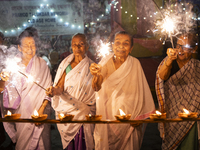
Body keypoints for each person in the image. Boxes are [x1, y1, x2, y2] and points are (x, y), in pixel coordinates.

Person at [90, 31, 155, 150]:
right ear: (113, 45)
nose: (121, 46)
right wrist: (95, 75)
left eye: (125, 44)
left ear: (131, 48)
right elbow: (96, 87)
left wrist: (139, 117)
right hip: (109, 116)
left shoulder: (135, 63)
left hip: (132, 118)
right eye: (118, 43)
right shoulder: (105, 62)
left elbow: (142, 92)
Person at [0, 27, 52, 150]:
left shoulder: (42, 64)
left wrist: (42, 110)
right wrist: (3, 78)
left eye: (32, 45)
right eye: (26, 45)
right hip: (21, 114)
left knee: (42, 144)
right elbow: (2, 89)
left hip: (40, 113)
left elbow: (48, 90)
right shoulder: (13, 66)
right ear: (19, 47)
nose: (30, 49)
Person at [46, 33, 96, 150]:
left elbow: (97, 89)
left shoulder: (92, 66)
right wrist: (53, 91)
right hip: (68, 111)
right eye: (74, 45)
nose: (77, 48)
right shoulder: (66, 65)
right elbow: (59, 87)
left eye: (81, 44)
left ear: (87, 47)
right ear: (71, 47)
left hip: (85, 112)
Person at [155, 33, 199, 150]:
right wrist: (169, 60)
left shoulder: (197, 67)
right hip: (172, 115)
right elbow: (162, 76)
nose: (181, 50)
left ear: (194, 49)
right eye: (179, 46)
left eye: (185, 47)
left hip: (192, 119)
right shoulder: (170, 61)